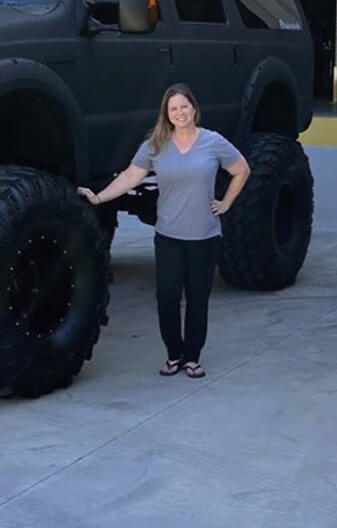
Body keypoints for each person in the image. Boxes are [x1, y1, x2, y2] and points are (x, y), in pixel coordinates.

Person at [79, 84, 250, 378]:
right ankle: (173, 354)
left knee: (198, 299)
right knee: (168, 297)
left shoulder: (212, 142)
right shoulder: (155, 145)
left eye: (184, 107)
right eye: (173, 109)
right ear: (166, 114)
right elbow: (131, 177)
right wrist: (98, 197)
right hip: (169, 235)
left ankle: (192, 358)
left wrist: (226, 203)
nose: (180, 113)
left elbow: (241, 169)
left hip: (205, 237)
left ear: (194, 109)